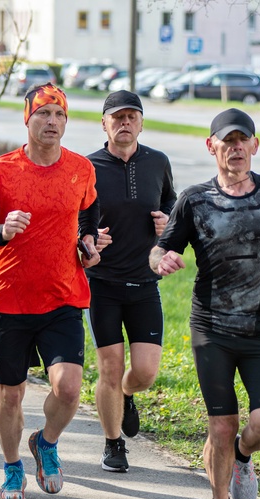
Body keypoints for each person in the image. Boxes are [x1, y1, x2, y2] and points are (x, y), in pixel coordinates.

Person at [150, 108, 260, 499]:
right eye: (227, 141)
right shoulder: (196, 200)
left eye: (243, 141)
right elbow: (159, 247)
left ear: (255, 146)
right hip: (211, 328)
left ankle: (241, 455)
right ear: (211, 146)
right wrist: (160, 260)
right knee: (221, 424)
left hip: (259, 329)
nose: (235, 148)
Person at [0, 84, 100, 499]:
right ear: (28, 119)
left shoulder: (80, 169)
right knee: (11, 393)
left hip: (63, 295)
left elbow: (89, 213)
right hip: (11, 299)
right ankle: (10, 468)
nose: (52, 122)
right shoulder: (1, 171)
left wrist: (90, 243)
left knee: (69, 388)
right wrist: (2, 230)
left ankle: (46, 441)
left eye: (59, 114)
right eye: (43, 114)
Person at [82, 90, 176, 473]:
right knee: (109, 366)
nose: (125, 123)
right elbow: (75, 217)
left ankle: (126, 393)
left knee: (145, 373)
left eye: (132, 117)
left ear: (140, 122)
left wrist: (167, 223)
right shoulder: (87, 167)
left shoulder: (158, 162)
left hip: (143, 283)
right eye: (117, 117)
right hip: (101, 283)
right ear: (104, 123)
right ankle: (113, 442)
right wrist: (87, 238)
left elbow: (171, 202)